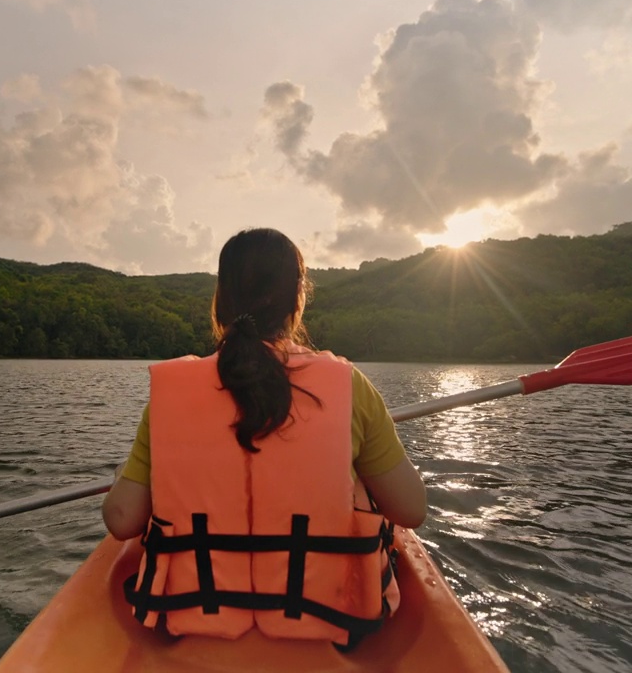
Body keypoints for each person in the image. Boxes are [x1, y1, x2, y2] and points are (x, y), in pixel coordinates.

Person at [102, 227, 426, 648]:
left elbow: (122, 519)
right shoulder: (350, 387)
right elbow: (411, 508)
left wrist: (120, 476)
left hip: (193, 617)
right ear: (298, 299)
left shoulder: (170, 397)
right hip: (331, 623)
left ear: (220, 300)